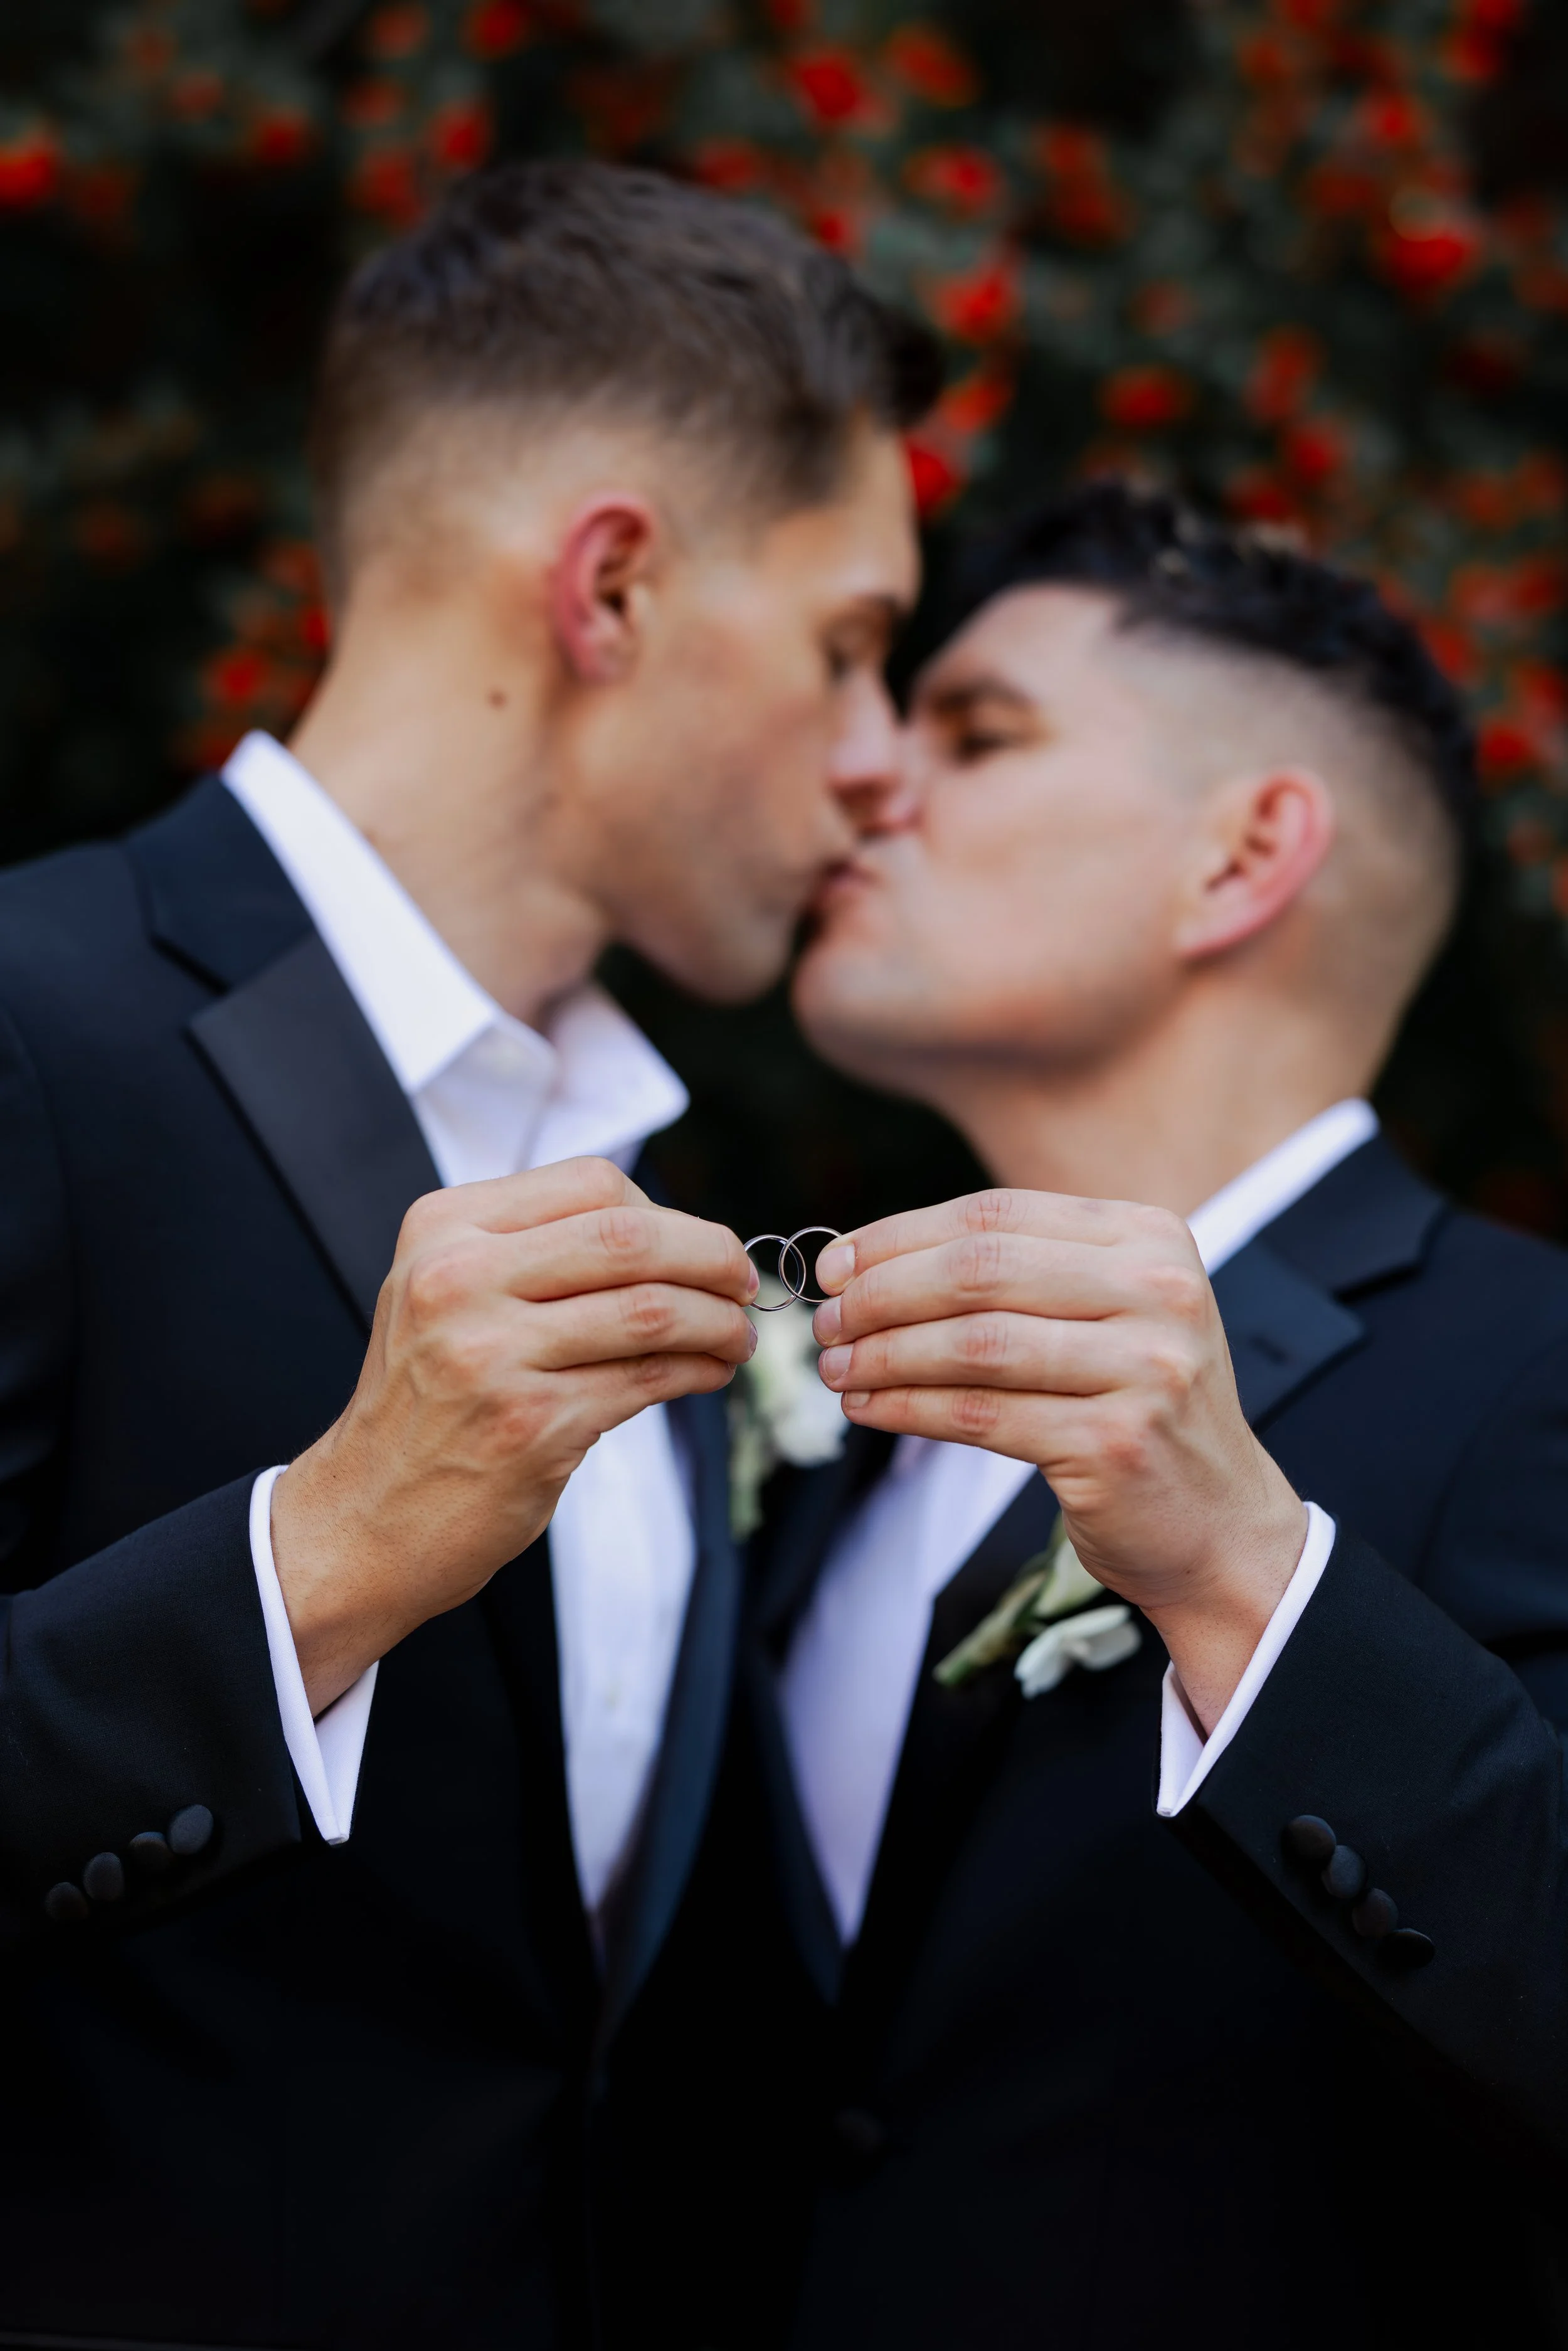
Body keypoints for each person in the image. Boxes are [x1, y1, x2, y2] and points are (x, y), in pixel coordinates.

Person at [0, 159, 935, 2348]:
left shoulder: (664, 1179)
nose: (881, 763)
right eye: (851, 647)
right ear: (607, 588)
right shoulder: (31, 1026)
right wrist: (315, 1555)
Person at [741, 482, 1568, 2348]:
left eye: (975, 730)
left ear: (1241, 854)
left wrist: (1252, 1588)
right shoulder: (813, 1410)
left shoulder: (1531, 1373)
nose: (867, 774)